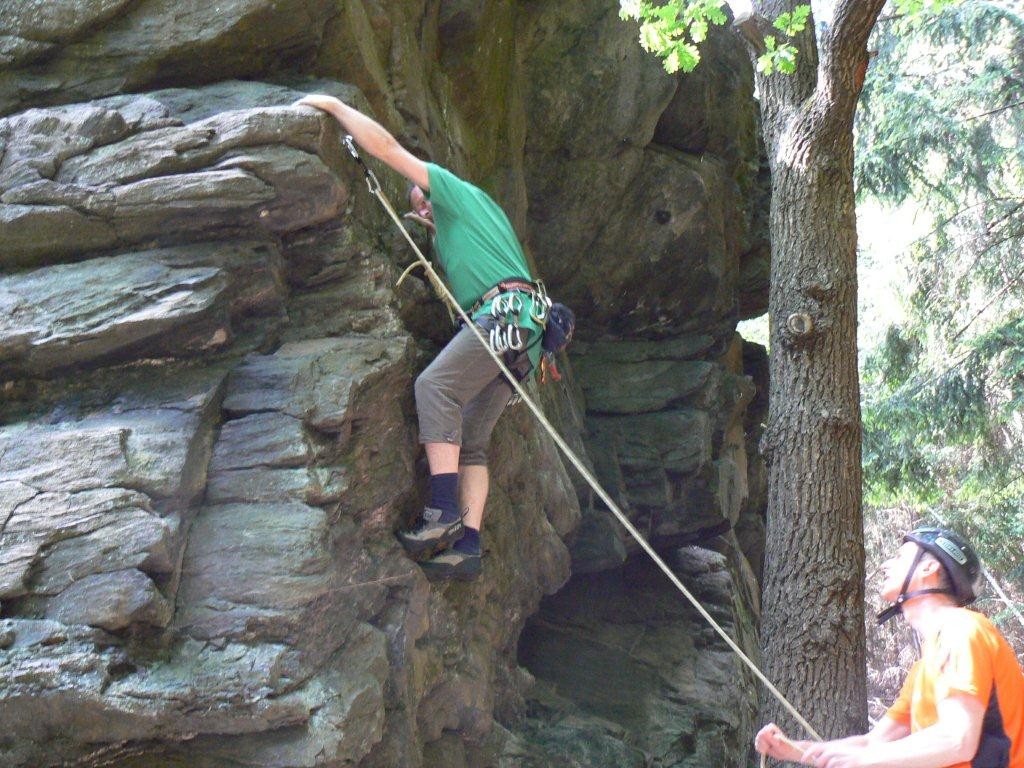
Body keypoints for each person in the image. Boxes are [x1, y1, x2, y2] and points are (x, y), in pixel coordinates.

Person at [294, 94, 573, 582]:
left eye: (422, 196)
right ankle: (468, 545)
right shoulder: (474, 224)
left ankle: (442, 512)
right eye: (419, 204)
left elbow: (385, 149)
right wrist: (438, 230)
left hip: (504, 316)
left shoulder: (456, 192)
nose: (421, 202)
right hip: (522, 334)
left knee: (434, 387)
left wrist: (336, 107)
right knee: (473, 442)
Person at [754, 527, 1024, 768]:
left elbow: (958, 739)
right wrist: (795, 751)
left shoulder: (962, 629)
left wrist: (863, 761)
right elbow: (873, 743)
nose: (886, 564)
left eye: (899, 556)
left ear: (928, 568)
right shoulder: (923, 670)